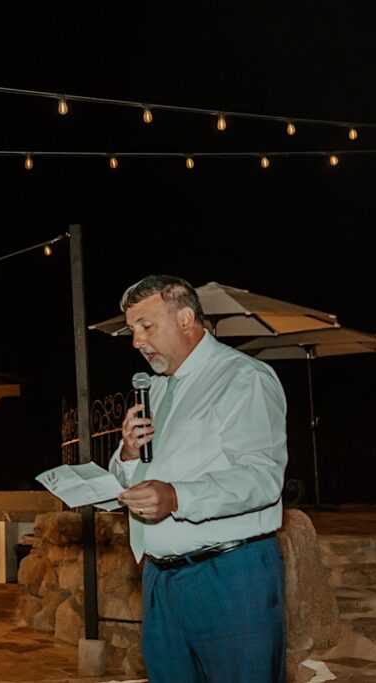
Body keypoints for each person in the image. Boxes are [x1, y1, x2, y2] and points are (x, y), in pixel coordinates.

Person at [108, 275, 288, 683]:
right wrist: (129, 455)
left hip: (229, 576)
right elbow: (141, 477)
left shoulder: (243, 378)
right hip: (159, 580)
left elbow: (261, 477)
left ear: (186, 318)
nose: (136, 340)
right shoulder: (153, 390)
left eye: (146, 325)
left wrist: (177, 497)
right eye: (132, 329)